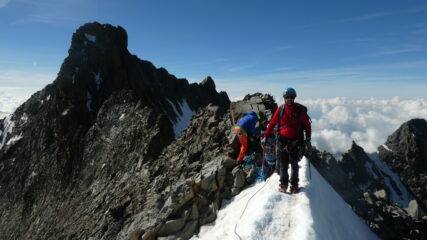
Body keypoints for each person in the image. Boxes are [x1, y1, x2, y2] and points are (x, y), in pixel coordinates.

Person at [263, 88, 311, 193]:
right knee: (283, 164)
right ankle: (283, 184)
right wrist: (266, 135)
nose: (289, 99)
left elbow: (307, 125)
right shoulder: (281, 109)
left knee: (294, 164)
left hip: (295, 141)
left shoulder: (300, 110)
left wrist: (308, 138)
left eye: (291, 97)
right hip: (282, 140)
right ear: (284, 98)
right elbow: (272, 123)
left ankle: (294, 185)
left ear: (294, 98)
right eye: (287, 97)